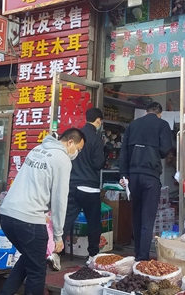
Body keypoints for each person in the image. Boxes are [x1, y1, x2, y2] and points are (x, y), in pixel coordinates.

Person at [0, 128, 85, 295]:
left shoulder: (37, 149)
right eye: (78, 149)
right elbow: (60, 200)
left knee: (29, 258)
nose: (77, 154)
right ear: (70, 142)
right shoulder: (62, 160)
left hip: (7, 215)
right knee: (37, 271)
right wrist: (58, 236)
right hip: (29, 220)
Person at [119, 102, 172, 261]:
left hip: (133, 176)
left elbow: (124, 151)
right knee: (148, 219)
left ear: (146, 112)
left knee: (137, 216)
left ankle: (137, 254)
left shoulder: (133, 125)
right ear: (159, 113)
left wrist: (123, 174)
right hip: (150, 176)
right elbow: (165, 150)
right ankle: (142, 258)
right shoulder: (162, 124)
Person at [62, 108, 106, 266]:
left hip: (72, 184)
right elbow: (98, 164)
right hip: (89, 187)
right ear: (98, 121)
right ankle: (92, 255)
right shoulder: (96, 139)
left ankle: (53, 252)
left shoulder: (74, 136)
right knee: (93, 222)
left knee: (66, 220)